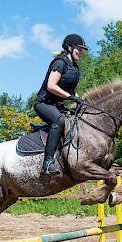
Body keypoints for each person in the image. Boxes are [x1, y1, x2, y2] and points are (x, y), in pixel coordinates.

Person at [33, 33, 88, 175]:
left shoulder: (75, 68)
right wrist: (69, 97)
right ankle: (47, 163)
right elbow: (51, 86)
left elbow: (73, 91)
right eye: (79, 49)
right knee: (59, 120)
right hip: (43, 103)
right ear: (70, 47)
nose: (81, 52)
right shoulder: (60, 63)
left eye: (82, 49)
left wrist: (80, 101)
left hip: (56, 105)